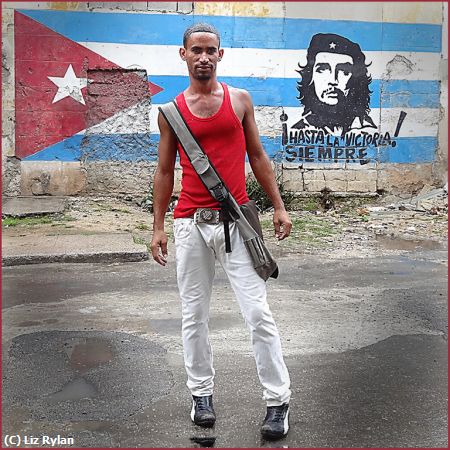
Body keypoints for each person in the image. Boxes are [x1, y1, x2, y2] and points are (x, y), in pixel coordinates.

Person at [150, 23, 292, 440]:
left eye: (211, 50)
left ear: (221, 54)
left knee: (258, 314)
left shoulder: (240, 101)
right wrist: (158, 227)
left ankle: (277, 401)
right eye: (196, 50)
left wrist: (279, 207)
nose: (204, 57)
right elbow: (163, 172)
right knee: (194, 316)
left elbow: (259, 157)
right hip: (189, 223)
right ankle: (201, 395)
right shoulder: (170, 112)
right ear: (183, 54)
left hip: (237, 221)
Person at [292, 33, 376, 136]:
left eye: (344, 71)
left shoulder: (368, 131)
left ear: (357, 81)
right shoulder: (299, 132)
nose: (333, 80)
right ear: (310, 77)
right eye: (322, 69)